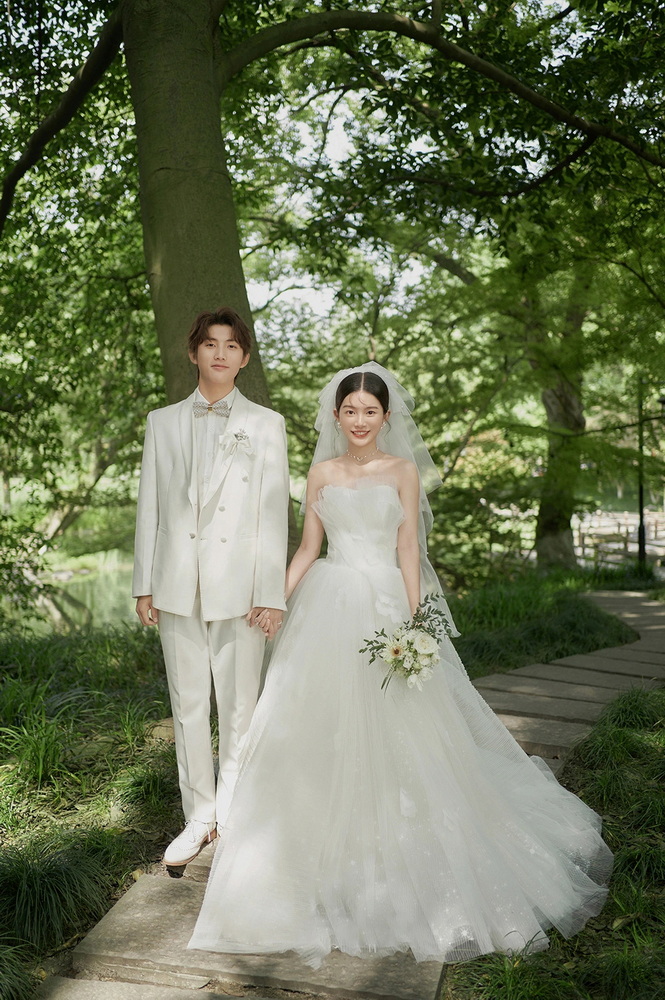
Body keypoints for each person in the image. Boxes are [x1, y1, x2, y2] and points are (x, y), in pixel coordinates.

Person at [188, 362, 612, 967]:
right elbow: (309, 547)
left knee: (406, 726)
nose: (359, 420)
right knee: (316, 724)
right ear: (336, 415)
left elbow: (409, 547)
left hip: (387, 602)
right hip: (329, 604)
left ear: (386, 417)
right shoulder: (321, 473)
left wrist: (418, 623)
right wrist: (276, 599)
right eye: (350, 411)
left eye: (370, 411)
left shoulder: (403, 471)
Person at [132, 307, 290, 871]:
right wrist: (144, 584)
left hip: (242, 590)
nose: (220, 353)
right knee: (188, 705)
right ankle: (199, 818)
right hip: (176, 584)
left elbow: (273, 513)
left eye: (231, 345)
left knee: (241, 706)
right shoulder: (162, 422)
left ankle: (235, 813)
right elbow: (149, 505)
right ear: (193, 352)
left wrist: (270, 593)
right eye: (210, 344)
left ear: (244, 358)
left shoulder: (266, 424)